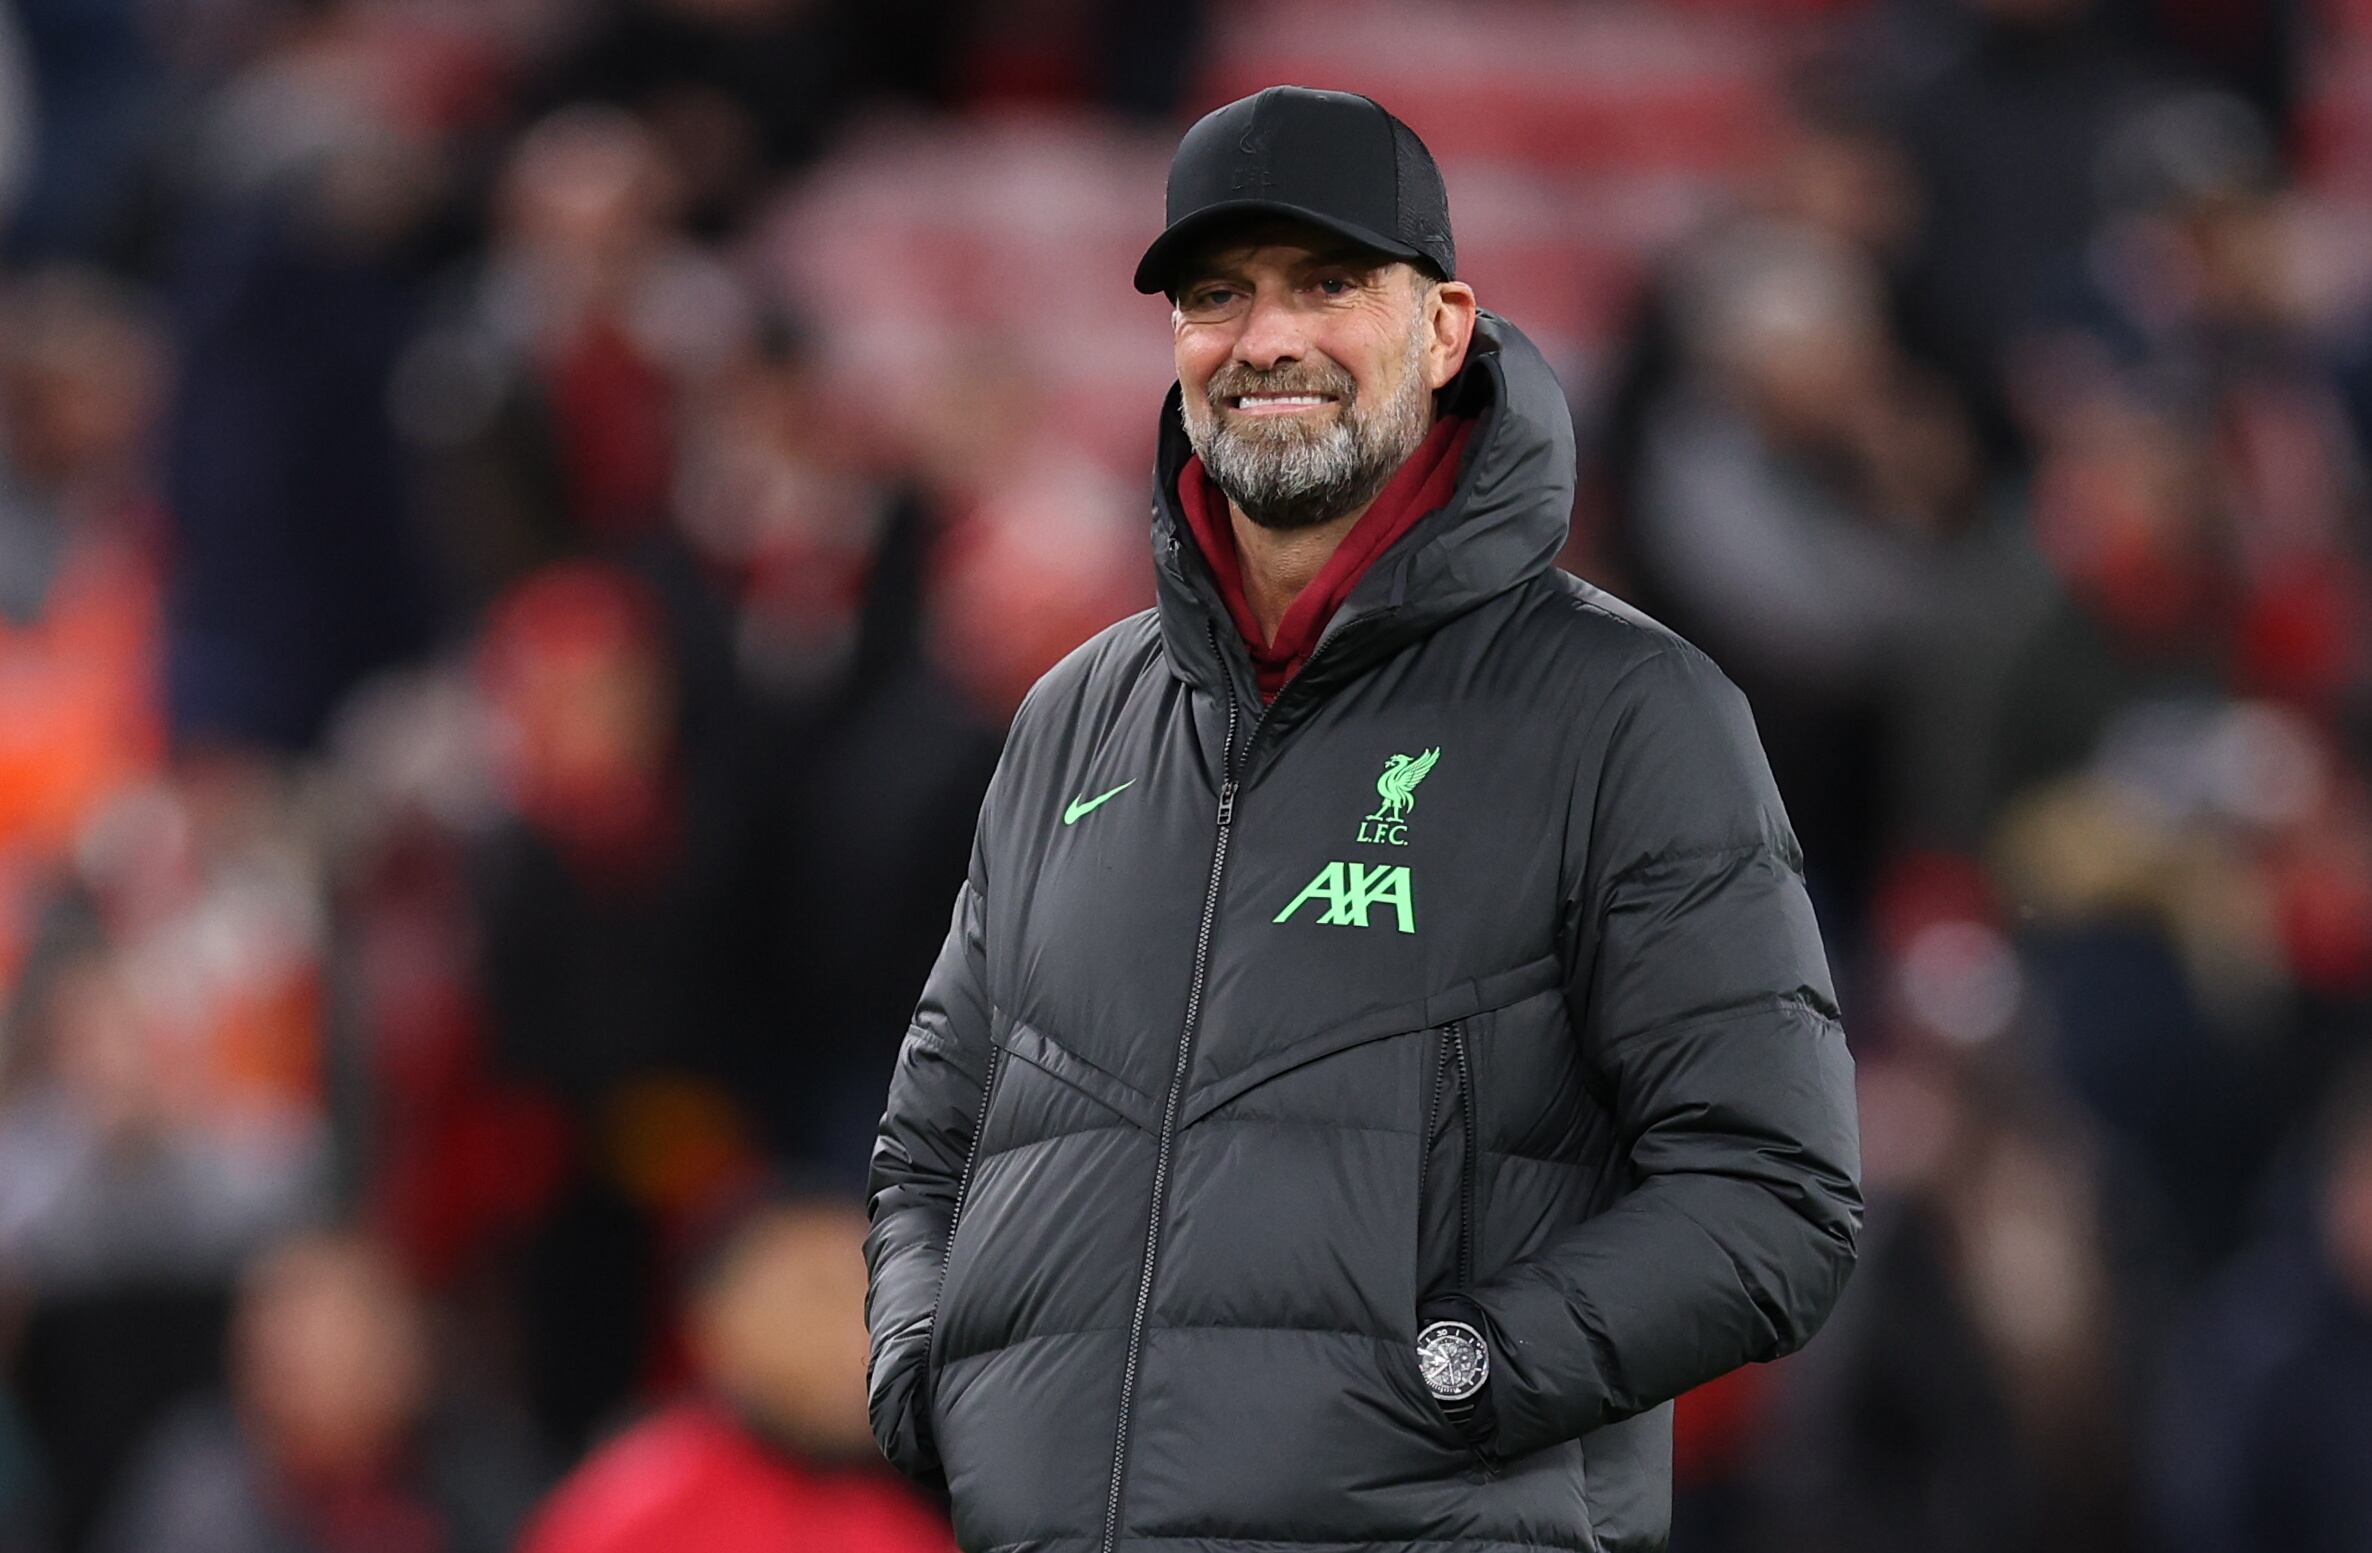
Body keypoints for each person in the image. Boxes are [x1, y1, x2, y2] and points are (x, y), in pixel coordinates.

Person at [863, 86, 1863, 1553]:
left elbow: (1772, 1195)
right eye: (1218, 295)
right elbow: (929, 1146)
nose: (1265, 339)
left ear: (1446, 328)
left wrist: (1459, 1375)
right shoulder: (1073, 714)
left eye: (1327, 284)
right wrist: (929, 1379)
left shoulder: (1625, 708)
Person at [521, 1194, 954, 1553]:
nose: (859, 1333)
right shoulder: (637, 1511)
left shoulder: (903, 1524)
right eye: (819, 1294)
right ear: (717, 1322)